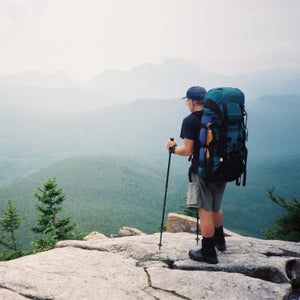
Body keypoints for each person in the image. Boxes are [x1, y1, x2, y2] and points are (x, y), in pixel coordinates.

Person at [166, 86, 226, 264]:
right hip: (222, 168)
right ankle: (220, 242)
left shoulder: (190, 121)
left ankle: (208, 252)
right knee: (215, 206)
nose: (187, 104)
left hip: (202, 170)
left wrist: (173, 148)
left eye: (187, 102)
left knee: (204, 209)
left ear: (192, 102)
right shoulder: (218, 117)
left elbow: (188, 150)